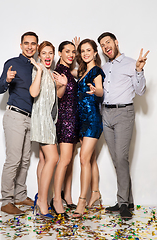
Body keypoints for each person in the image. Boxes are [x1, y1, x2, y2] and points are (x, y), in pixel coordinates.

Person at [97, 32, 149, 219]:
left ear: (116, 42)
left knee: (121, 158)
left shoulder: (131, 63)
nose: (106, 47)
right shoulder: (103, 67)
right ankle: (129, 200)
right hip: (106, 113)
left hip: (124, 113)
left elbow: (141, 91)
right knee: (117, 158)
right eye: (102, 45)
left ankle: (123, 203)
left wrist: (139, 71)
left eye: (108, 42)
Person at [0, 31, 39, 215]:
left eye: (33, 44)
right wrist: (7, 80)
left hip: (31, 118)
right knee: (13, 160)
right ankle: (6, 201)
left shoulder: (37, 67)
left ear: (37, 46)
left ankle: (20, 196)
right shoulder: (12, 62)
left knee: (25, 160)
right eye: (26, 43)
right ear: (21, 45)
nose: (30, 46)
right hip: (15, 116)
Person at [30, 41, 68, 219]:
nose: (47, 56)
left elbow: (58, 97)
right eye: (44, 53)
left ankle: (40, 197)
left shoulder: (52, 73)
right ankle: (43, 202)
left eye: (50, 53)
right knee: (54, 157)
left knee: (45, 159)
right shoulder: (38, 70)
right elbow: (33, 92)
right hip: (41, 120)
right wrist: (38, 71)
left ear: (54, 56)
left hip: (51, 121)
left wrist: (62, 84)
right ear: (39, 55)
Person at [73, 39, 105, 217]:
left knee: (83, 159)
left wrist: (96, 91)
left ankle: (81, 201)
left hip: (92, 120)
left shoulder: (96, 71)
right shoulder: (82, 72)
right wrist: (75, 49)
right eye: (83, 51)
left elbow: (100, 90)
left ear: (95, 53)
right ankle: (96, 193)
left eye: (88, 50)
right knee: (91, 159)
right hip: (81, 121)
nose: (85, 53)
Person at [50, 41, 79, 216]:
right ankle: (56, 199)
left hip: (74, 120)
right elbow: (58, 96)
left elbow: (82, 72)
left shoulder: (69, 71)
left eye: (73, 52)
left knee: (70, 161)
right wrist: (63, 84)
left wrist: (79, 50)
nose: (71, 54)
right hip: (65, 120)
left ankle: (67, 197)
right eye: (67, 51)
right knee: (65, 160)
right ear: (60, 53)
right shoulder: (59, 71)